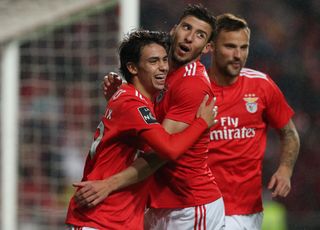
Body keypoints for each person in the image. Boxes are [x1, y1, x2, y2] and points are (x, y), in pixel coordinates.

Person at [73, 4, 225, 230]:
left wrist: (108, 184)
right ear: (174, 30)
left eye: (200, 35)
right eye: (186, 27)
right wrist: (124, 103)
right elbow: (143, 123)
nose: (190, 37)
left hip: (188, 205)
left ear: (207, 48)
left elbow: (161, 152)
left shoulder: (191, 84)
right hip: (158, 202)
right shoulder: (158, 79)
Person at [206, 13, 300, 230]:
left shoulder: (262, 86)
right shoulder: (193, 87)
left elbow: (289, 133)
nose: (238, 55)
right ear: (211, 47)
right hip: (196, 205)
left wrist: (285, 169)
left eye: (244, 47)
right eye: (230, 46)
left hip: (243, 210)